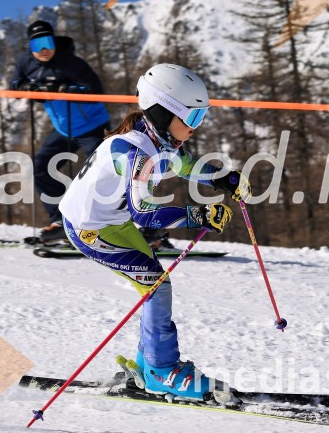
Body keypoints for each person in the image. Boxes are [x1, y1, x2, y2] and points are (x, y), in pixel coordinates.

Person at [59, 63, 251, 400]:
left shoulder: (157, 138)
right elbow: (144, 215)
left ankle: (150, 365)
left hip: (112, 222)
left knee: (155, 287)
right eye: (191, 119)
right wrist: (197, 215)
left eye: (200, 118)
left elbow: (186, 165)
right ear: (163, 113)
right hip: (90, 230)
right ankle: (162, 371)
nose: (196, 127)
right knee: (156, 286)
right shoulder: (132, 152)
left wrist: (221, 178)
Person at [10, 20, 110, 242]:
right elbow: (14, 85)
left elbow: (95, 90)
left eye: (47, 42)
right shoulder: (25, 62)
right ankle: (61, 221)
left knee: (104, 174)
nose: (43, 50)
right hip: (64, 130)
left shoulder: (71, 63)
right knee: (40, 168)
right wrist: (28, 88)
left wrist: (65, 89)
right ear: (30, 47)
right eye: (37, 45)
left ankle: (128, 226)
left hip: (93, 127)